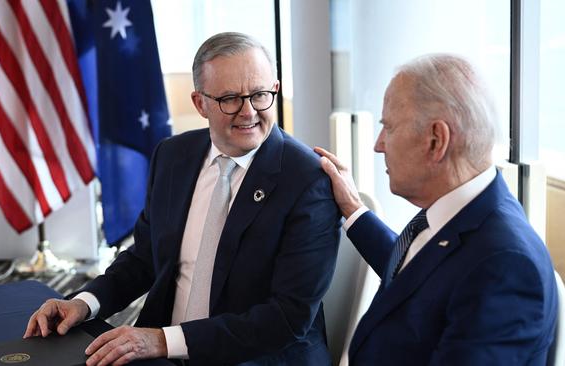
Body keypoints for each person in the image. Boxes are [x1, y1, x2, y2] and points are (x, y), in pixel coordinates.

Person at [25, 32, 340, 366]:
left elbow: (286, 317)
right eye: (230, 98)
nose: (249, 112)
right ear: (199, 103)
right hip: (160, 350)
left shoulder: (306, 180)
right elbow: (145, 258)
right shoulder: (173, 156)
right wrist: (84, 303)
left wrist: (163, 340)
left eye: (260, 94)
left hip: (257, 357)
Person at [315, 53, 558, 365]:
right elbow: (419, 273)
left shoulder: (505, 266)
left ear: (435, 140)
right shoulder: (466, 213)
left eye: (388, 127)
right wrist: (353, 209)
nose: (378, 145)